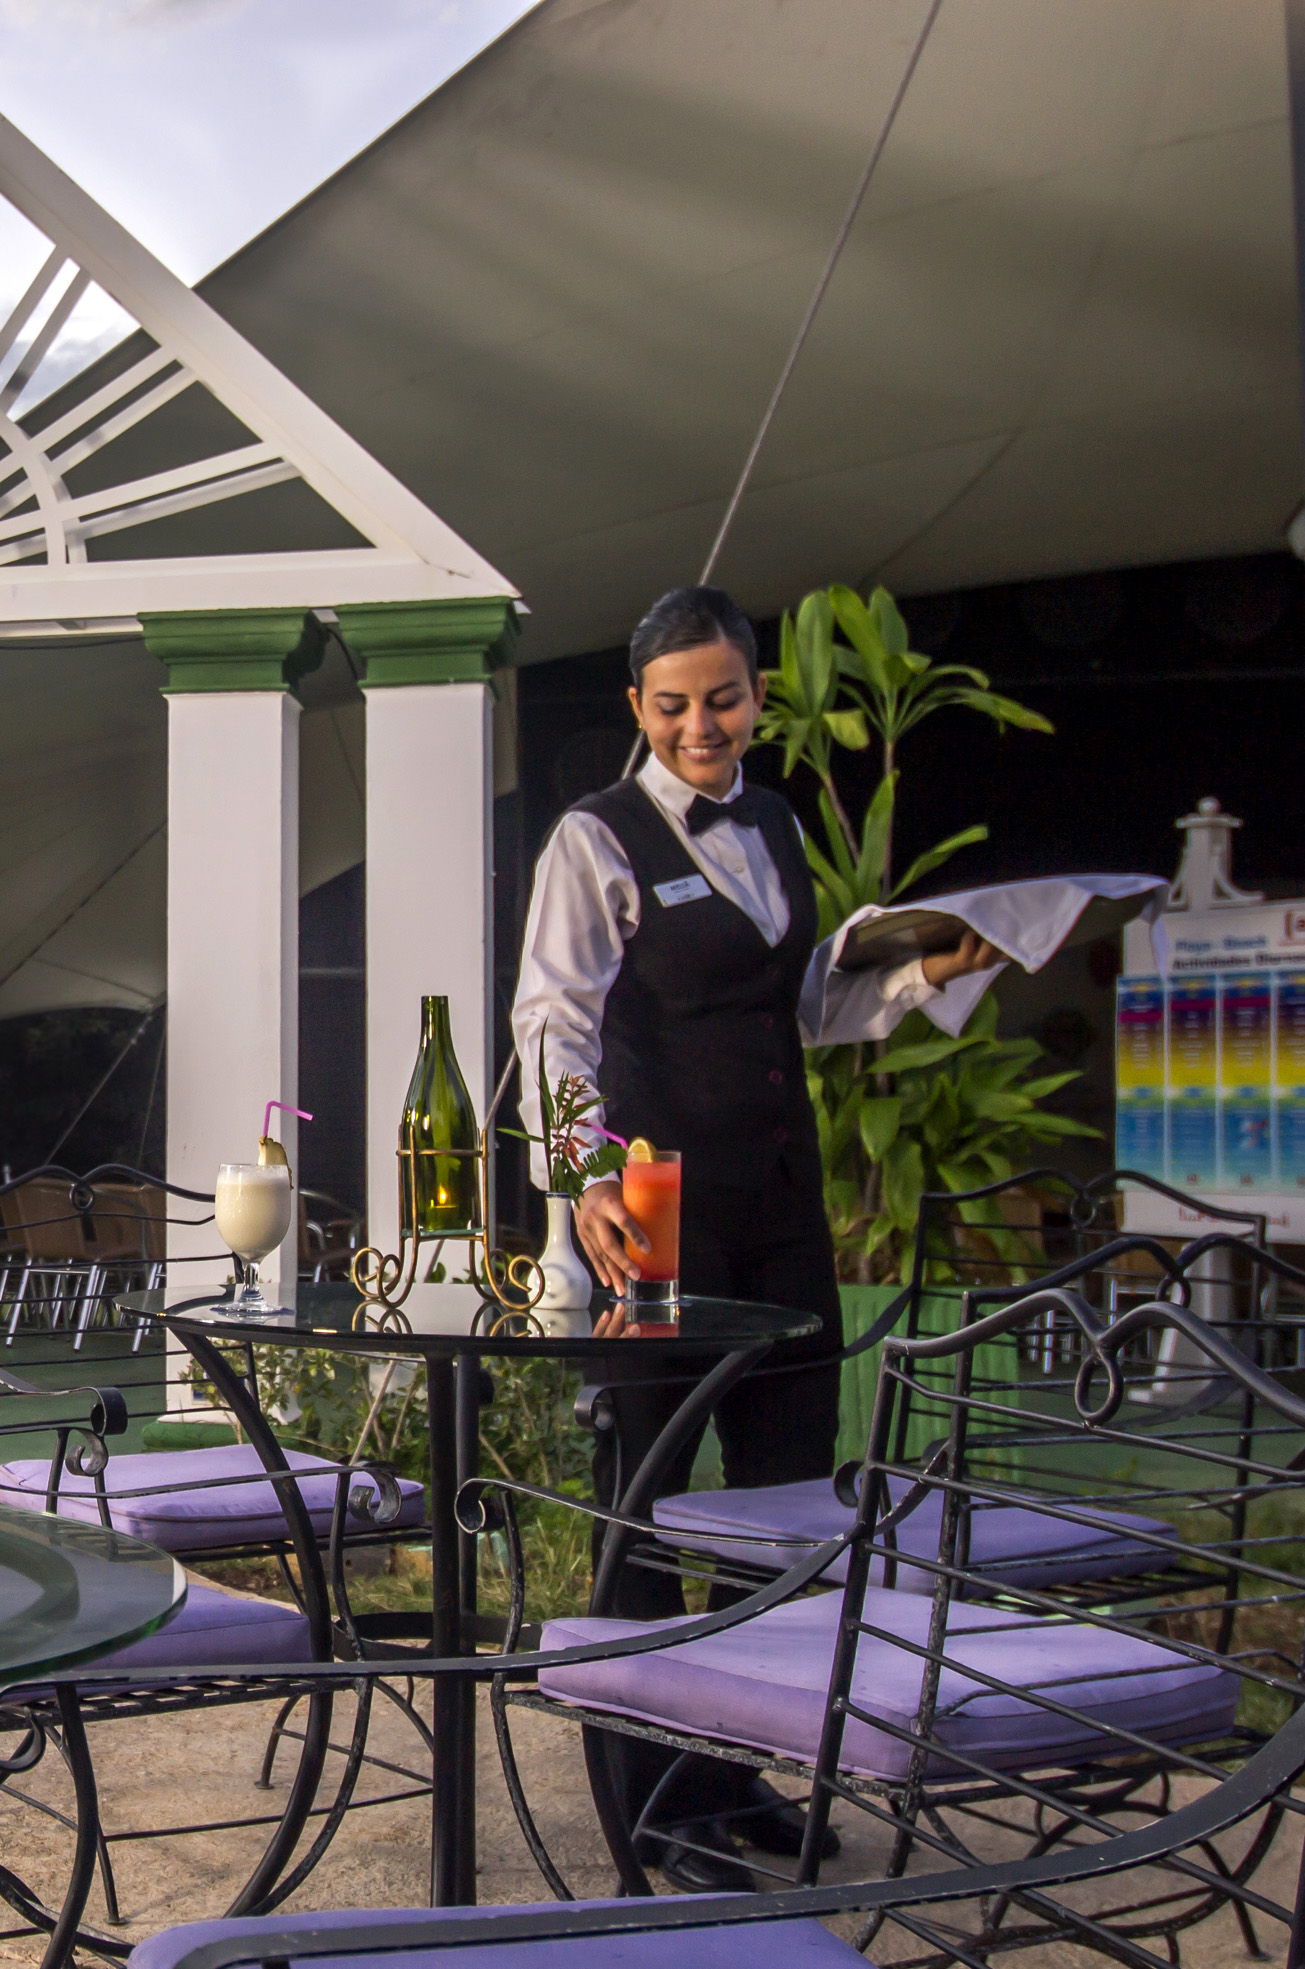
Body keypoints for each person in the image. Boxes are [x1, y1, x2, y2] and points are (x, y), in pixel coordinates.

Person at [510, 585, 1004, 1892]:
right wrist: (584, 1173)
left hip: (780, 1199)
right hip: (651, 1207)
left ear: (757, 696)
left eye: (721, 699)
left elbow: (804, 1007)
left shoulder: (775, 822)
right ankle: (651, 1803)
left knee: (777, 1503)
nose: (699, 725)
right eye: (672, 705)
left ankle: (735, 1775)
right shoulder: (593, 838)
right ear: (638, 707)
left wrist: (924, 974)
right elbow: (551, 1023)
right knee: (646, 1497)